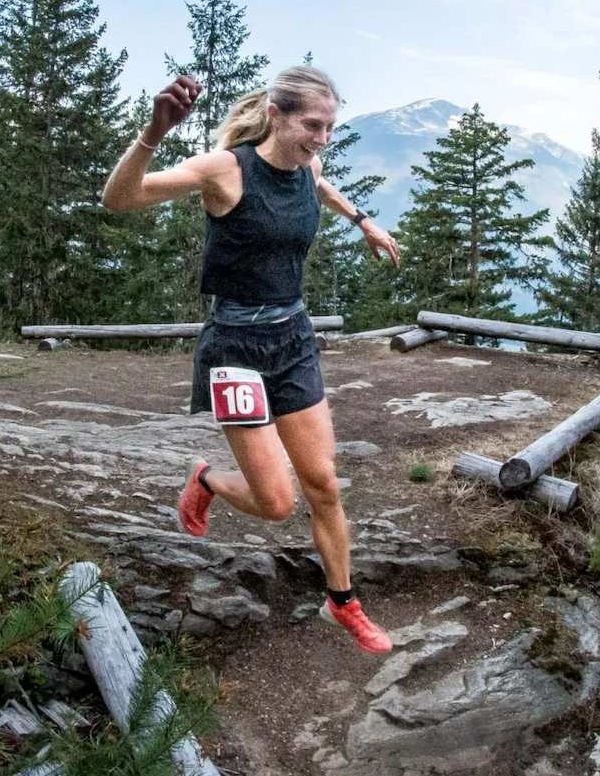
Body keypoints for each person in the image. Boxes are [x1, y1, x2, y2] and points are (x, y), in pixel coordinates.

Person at [101, 65, 402, 653]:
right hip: (234, 351)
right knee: (276, 502)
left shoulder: (308, 164)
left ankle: (343, 603)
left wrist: (363, 222)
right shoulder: (226, 171)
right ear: (277, 116)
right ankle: (206, 479)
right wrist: (153, 132)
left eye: (330, 127)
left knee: (323, 487)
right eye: (312, 125)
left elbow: (319, 183)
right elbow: (120, 199)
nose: (323, 138)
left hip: (292, 340)